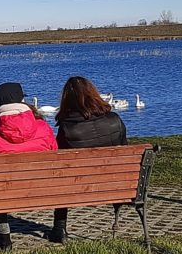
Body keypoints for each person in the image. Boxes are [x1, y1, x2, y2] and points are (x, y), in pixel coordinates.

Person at [0, 82, 58, 252]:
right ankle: (2, 238)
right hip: (44, 189)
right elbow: (55, 153)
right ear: (22, 100)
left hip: (4, 190)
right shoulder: (43, 127)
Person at [48, 76, 127, 243]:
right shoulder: (115, 120)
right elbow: (124, 150)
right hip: (116, 184)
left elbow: (60, 160)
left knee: (61, 178)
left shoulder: (67, 127)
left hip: (79, 187)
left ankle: (59, 228)